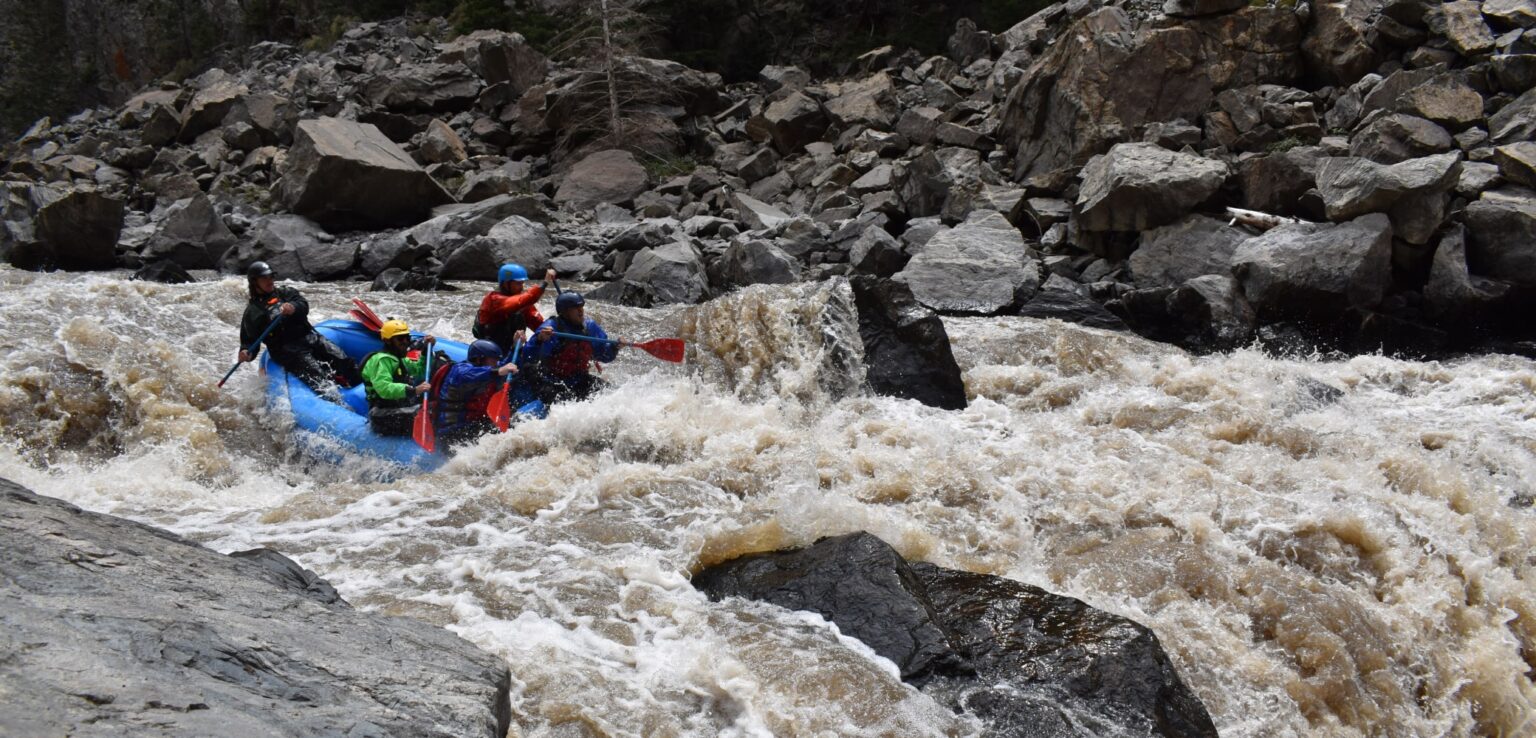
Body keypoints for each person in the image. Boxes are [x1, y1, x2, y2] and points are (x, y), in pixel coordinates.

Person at [239, 261, 361, 391]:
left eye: (271, 277)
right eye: (264, 278)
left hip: (309, 337)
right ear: (254, 282)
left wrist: (293, 308)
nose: (270, 281)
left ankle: (365, 389)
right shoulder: (253, 312)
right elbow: (249, 342)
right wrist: (247, 353)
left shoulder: (285, 293)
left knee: (343, 360)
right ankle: (339, 405)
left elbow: (303, 305)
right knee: (319, 379)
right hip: (287, 350)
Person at [523, 292, 622, 404]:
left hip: (580, 379)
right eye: (575, 308)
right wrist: (539, 339)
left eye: (581, 307)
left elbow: (604, 356)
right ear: (564, 312)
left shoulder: (589, 327)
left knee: (609, 392)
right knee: (549, 398)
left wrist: (615, 347)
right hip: (553, 382)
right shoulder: (551, 328)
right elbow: (528, 355)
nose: (581, 311)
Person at [434, 339, 520, 448]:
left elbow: (504, 365)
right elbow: (471, 374)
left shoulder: (485, 369)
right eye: (493, 360)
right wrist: (498, 371)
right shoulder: (460, 371)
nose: (496, 363)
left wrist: (515, 346)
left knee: (513, 425)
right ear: (479, 359)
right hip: (451, 431)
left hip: (471, 424)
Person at [360, 319, 435, 437]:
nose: (405, 342)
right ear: (388, 341)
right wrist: (413, 390)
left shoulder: (400, 359)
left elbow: (419, 371)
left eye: (407, 337)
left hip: (399, 406)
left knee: (435, 405)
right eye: (400, 339)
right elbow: (384, 388)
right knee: (423, 413)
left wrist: (426, 352)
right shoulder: (381, 361)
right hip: (381, 414)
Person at [474, 264, 556, 358]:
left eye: (522, 283)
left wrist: (548, 331)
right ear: (506, 284)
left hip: (513, 349)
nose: (521, 287)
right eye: (518, 283)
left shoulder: (522, 304)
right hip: (490, 351)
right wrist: (544, 283)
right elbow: (520, 301)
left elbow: (536, 323)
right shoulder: (493, 299)